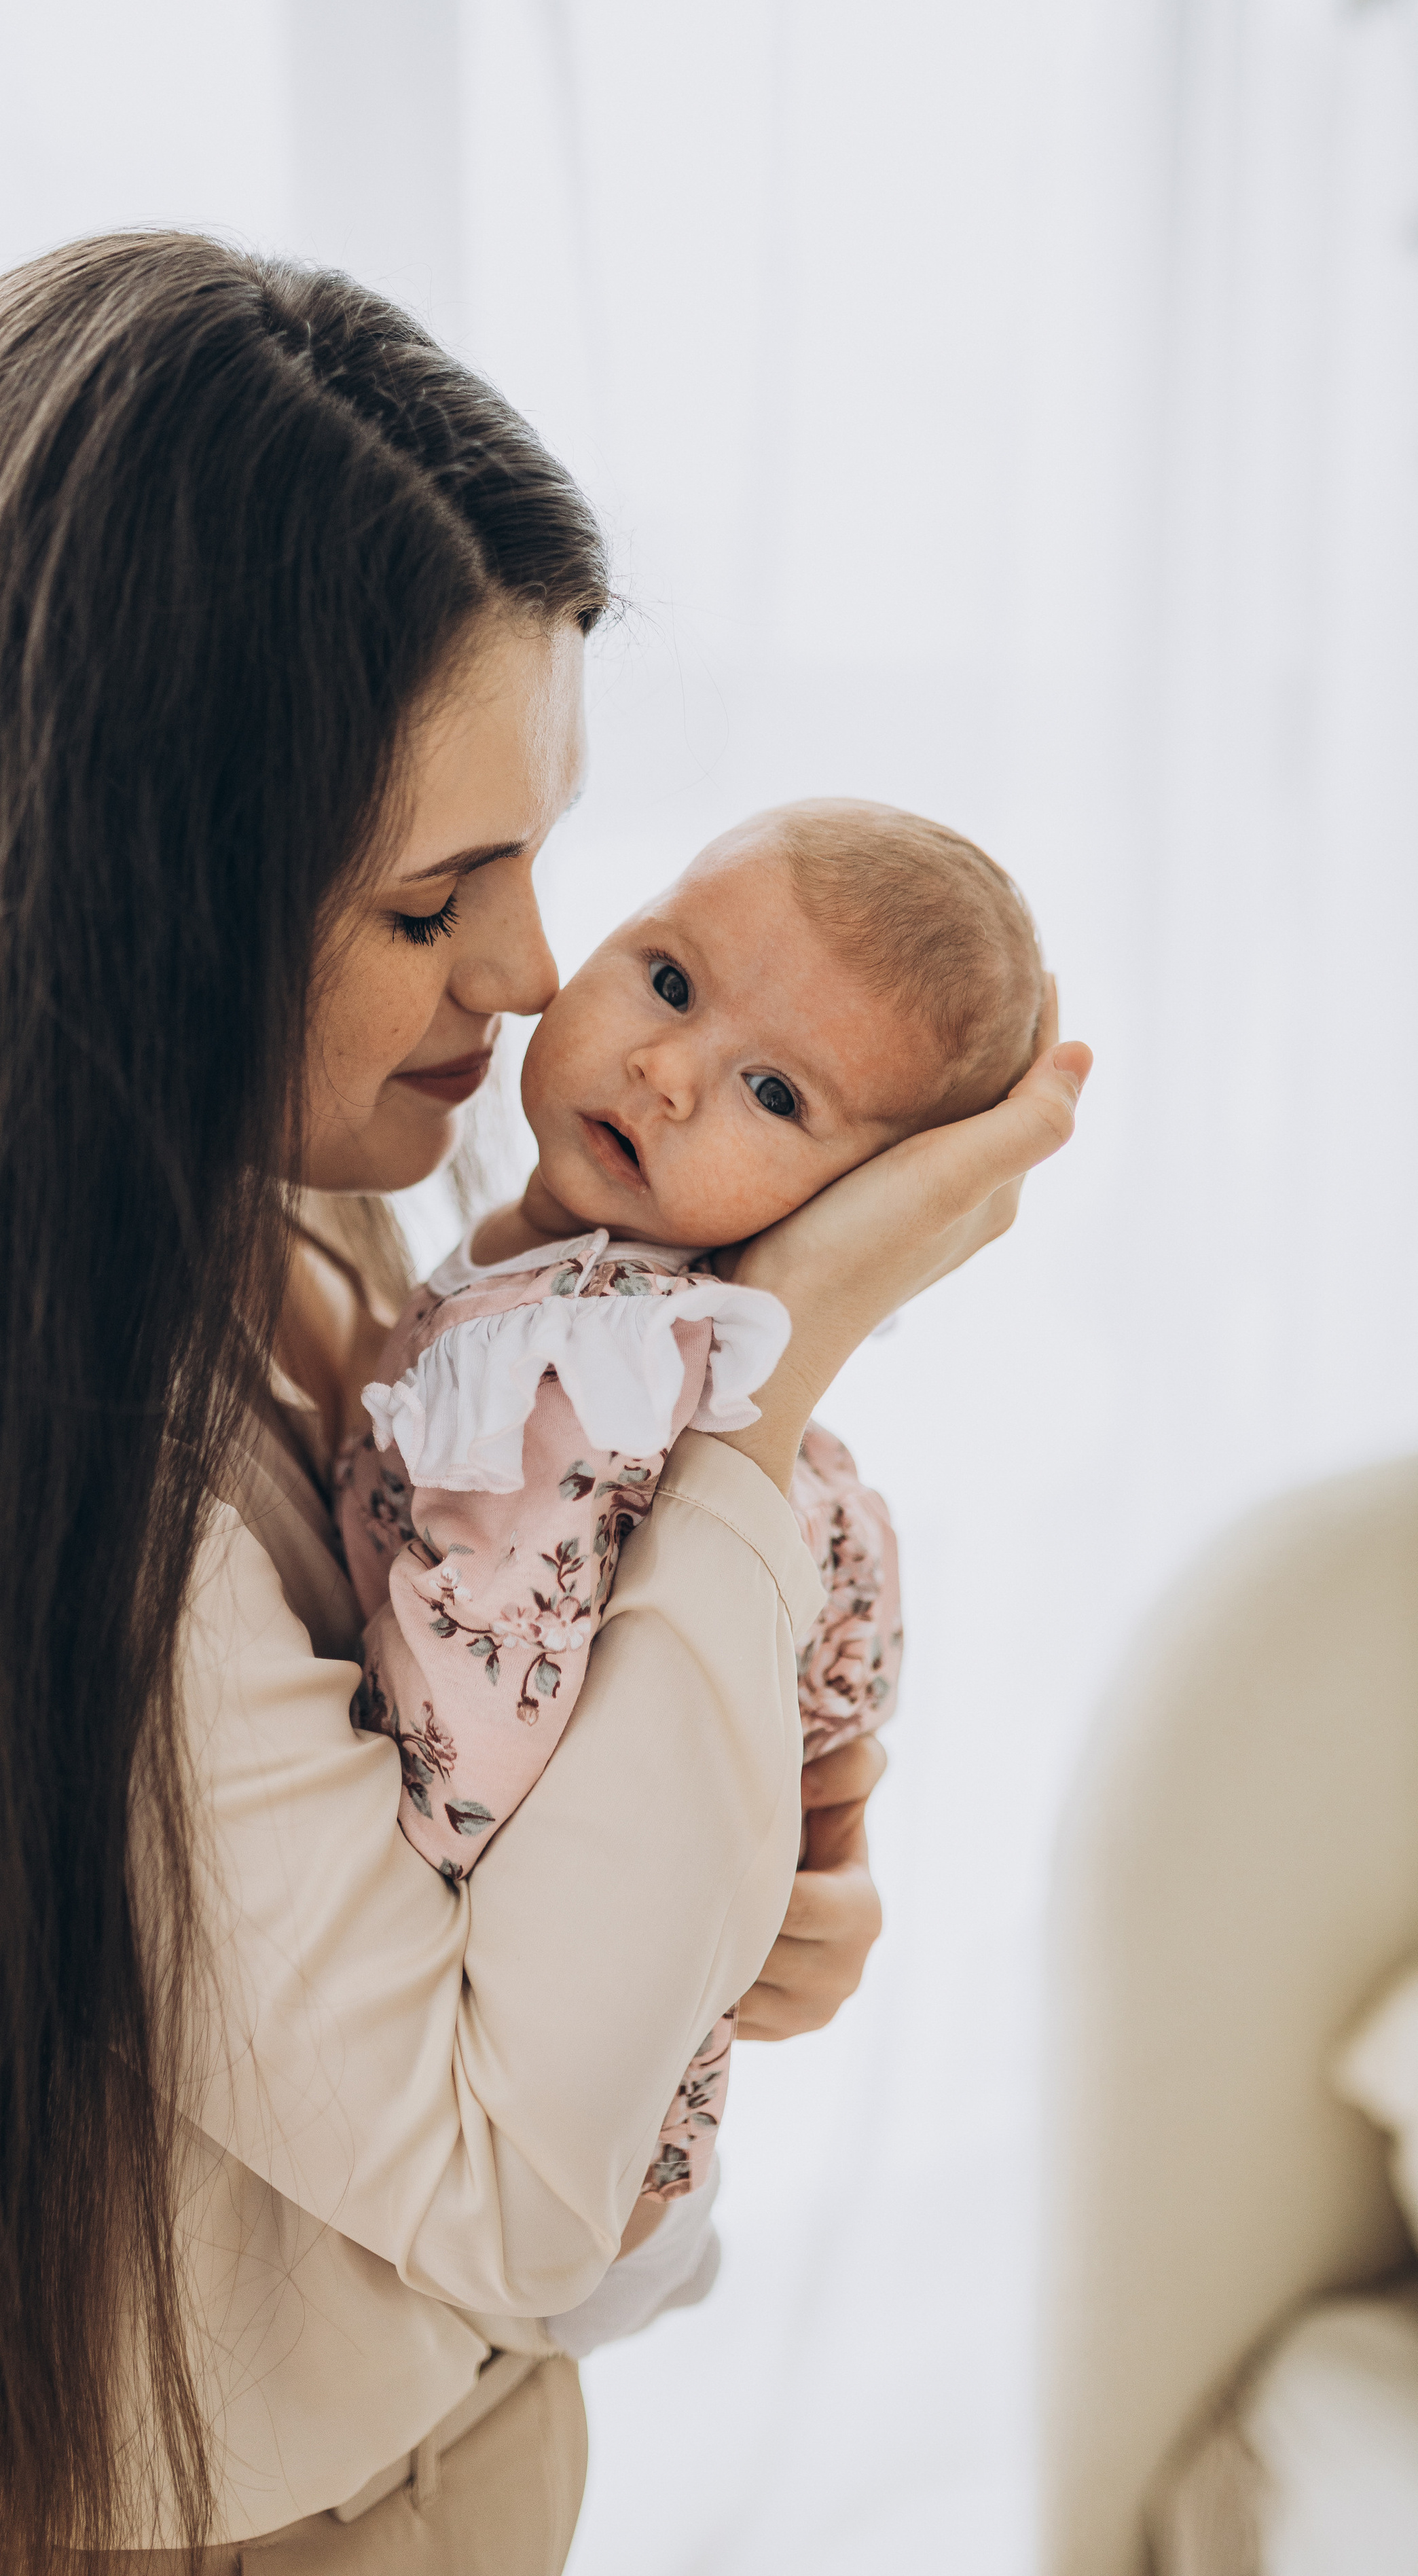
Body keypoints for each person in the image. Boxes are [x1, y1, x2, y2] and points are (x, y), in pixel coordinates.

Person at [0, 232, 1089, 2576]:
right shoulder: (48, 1476)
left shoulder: (323, 1228)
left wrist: (740, 1879)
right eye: (438, 904)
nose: (536, 975)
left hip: (467, 2467)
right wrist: (782, 1361)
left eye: (546, 858)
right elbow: (508, 2184)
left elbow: (500, 1768)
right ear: (133, 900)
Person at [337, 798, 1042, 2224]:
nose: (663, 1073)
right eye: (665, 979)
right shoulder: (550, 1304)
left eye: (774, 1096)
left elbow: (473, 1752)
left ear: (860, 1205)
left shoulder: (593, 1378)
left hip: (530, 2092)